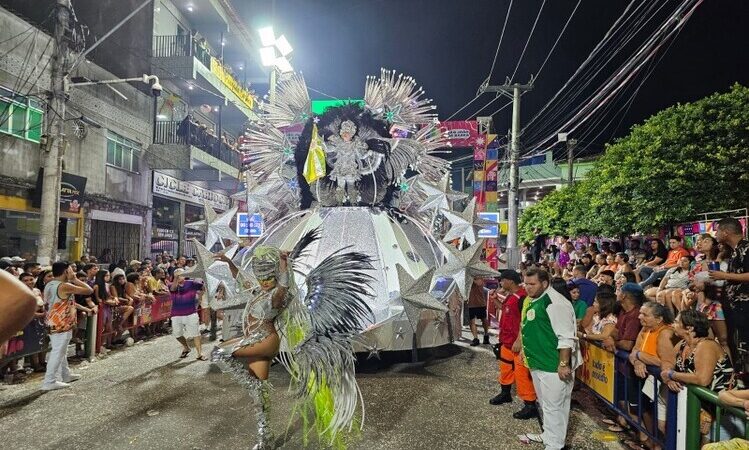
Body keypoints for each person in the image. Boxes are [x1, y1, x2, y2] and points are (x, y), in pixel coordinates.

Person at [518, 268, 581, 449]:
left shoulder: (555, 303)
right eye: (526, 283)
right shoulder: (536, 299)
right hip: (538, 362)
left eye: (532, 284)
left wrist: (563, 364)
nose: (527, 287)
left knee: (556, 407)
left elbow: (566, 337)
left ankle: (555, 444)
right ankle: (549, 435)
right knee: (547, 405)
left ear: (544, 283)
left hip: (553, 365)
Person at [661, 309, 734, 441]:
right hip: (700, 409)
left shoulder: (706, 345)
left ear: (689, 328)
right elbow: (667, 361)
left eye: (677, 322)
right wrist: (669, 378)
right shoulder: (683, 344)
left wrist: (672, 374)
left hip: (721, 412)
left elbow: (702, 379)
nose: (672, 324)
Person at [488, 270, 537, 419]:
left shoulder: (522, 298)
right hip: (506, 341)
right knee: (505, 369)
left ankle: (530, 404)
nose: (501, 283)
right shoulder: (511, 296)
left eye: (502, 280)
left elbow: (526, 322)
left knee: (522, 374)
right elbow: (505, 309)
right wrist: (495, 299)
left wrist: (519, 341)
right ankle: (505, 393)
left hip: (517, 343)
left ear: (510, 281)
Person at [627, 302, 675, 449]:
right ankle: (653, 443)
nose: (639, 316)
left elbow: (665, 362)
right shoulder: (645, 329)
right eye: (640, 312)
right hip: (647, 380)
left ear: (659, 319)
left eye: (645, 314)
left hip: (664, 384)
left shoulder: (665, 333)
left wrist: (640, 356)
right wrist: (636, 362)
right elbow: (632, 353)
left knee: (662, 423)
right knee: (645, 410)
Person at [41, 261, 93, 391]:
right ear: (66, 271)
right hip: (61, 324)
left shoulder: (50, 284)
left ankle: (65, 374)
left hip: (53, 322)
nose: (73, 272)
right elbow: (89, 290)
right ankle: (50, 381)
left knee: (61, 351)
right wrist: (75, 279)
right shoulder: (64, 286)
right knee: (58, 352)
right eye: (71, 270)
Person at [711, 217, 749, 368]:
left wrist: (724, 276)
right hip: (735, 308)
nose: (715, 234)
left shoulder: (746, 248)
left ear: (726, 232)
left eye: (718, 230)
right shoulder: (734, 251)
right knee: (737, 344)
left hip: (745, 308)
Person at [170, 268, 205, 360]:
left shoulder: (192, 283)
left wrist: (200, 296)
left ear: (185, 275)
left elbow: (203, 286)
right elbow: (172, 289)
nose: (178, 276)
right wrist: (176, 279)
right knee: (177, 334)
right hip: (176, 314)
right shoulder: (172, 284)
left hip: (191, 313)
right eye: (176, 275)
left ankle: (199, 354)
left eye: (180, 274)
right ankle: (186, 347)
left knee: (195, 333)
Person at [467, 278, 490, 346]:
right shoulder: (467, 278)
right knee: (471, 321)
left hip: (480, 303)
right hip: (471, 304)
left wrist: (471, 279)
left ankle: (486, 335)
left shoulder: (480, 277)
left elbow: (479, 283)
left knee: (484, 319)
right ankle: (475, 338)